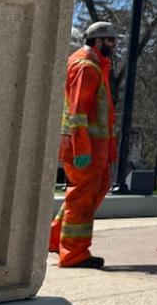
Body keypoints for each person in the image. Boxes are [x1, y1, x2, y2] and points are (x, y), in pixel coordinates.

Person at [48, 21, 118, 269]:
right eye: (110, 40)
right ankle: (75, 252)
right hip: (85, 147)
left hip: (93, 147)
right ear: (98, 41)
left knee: (83, 196)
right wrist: (82, 149)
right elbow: (78, 112)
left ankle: (56, 238)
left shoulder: (95, 65)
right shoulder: (87, 67)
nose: (114, 45)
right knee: (82, 199)